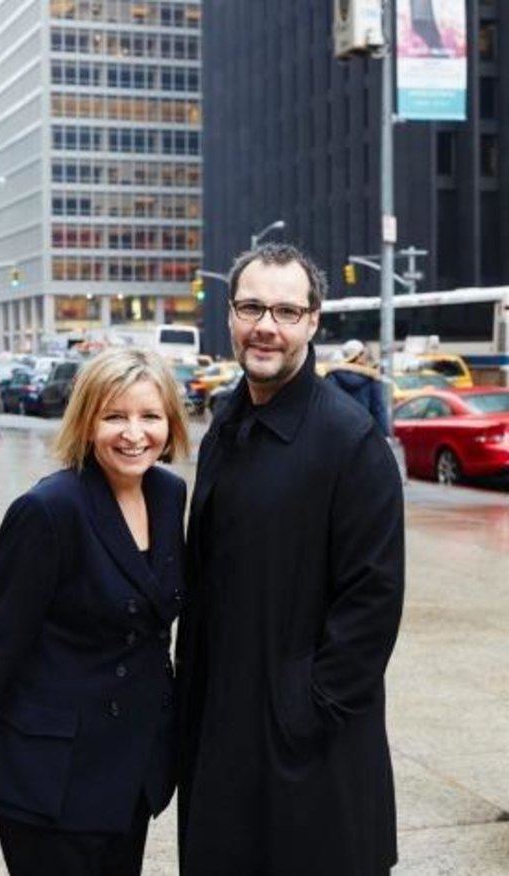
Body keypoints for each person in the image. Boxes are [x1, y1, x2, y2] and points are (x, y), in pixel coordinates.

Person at [176, 243, 405, 876]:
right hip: (222, 733)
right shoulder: (227, 419)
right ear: (230, 315)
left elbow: (373, 604)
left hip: (308, 754)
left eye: (285, 309)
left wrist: (301, 710)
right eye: (251, 307)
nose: (265, 326)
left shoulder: (350, 441)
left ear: (312, 321)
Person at [0, 348, 190, 876]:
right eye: (114, 415)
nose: (134, 433)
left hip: (132, 765)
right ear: (86, 421)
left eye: (150, 416)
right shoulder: (49, 509)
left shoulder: (169, 494)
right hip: (53, 772)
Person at [324, 338, 391, 436]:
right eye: (363, 353)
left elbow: (327, 408)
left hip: (338, 433)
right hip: (363, 432)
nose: (366, 357)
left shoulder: (332, 376)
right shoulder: (372, 378)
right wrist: (385, 435)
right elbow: (378, 409)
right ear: (357, 356)